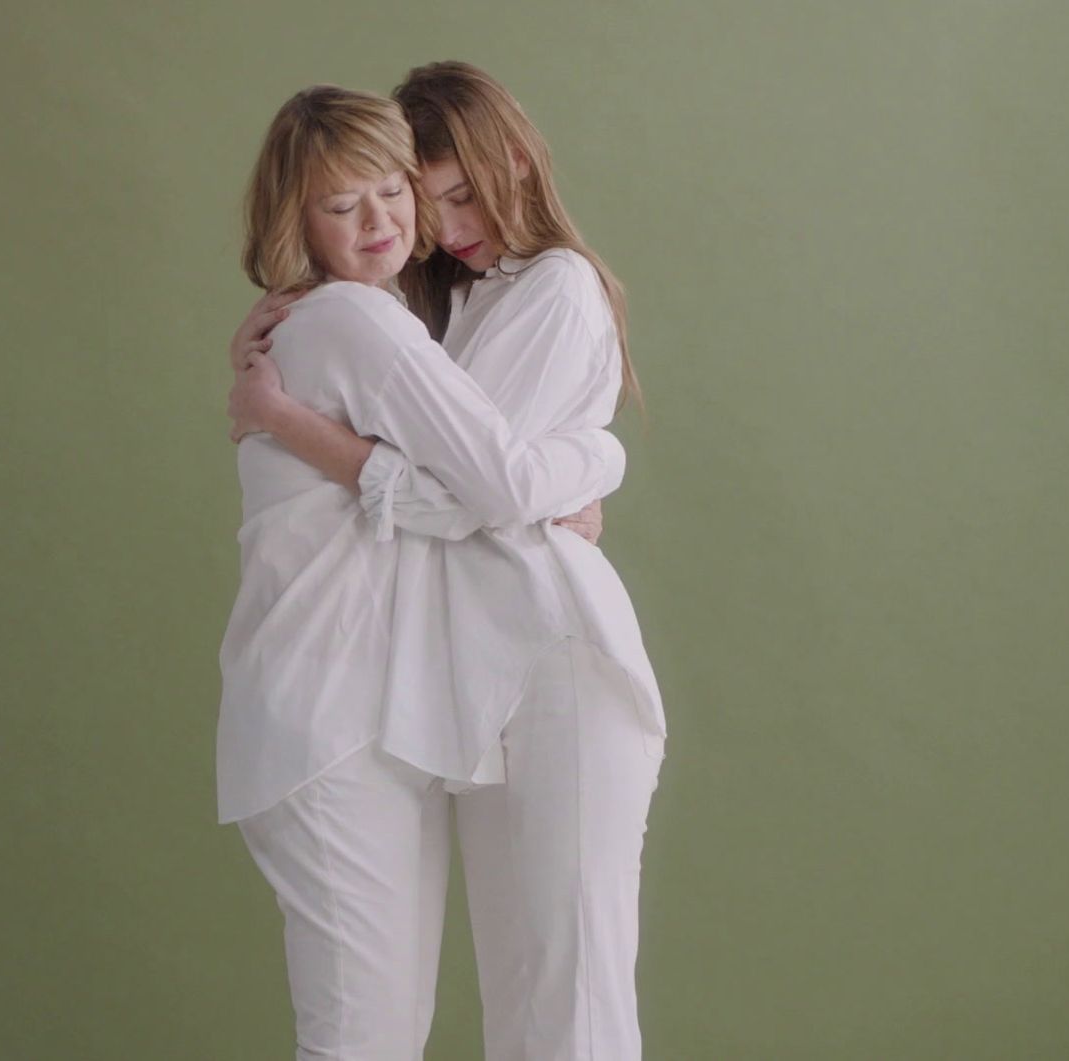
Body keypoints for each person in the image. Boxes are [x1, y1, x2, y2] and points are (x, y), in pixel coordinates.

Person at [228, 62, 666, 1060]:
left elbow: (472, 490)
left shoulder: (554, 285)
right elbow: (471, 488)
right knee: (522, 1001)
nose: (438, 219)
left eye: (456, 192)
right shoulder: (433, 308)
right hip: (478, 692)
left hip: (560, 659)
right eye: (423, 198)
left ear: (517, 160)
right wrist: (579, 467)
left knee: (570, 1002)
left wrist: (603, 456)